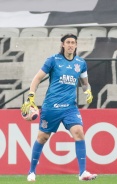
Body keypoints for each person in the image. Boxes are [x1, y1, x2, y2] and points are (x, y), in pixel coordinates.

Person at [21, 33, 97, 182]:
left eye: (73, 42)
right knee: (42, 137)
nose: (70, 45)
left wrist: (88, 91)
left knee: (79, 132)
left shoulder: (80, 63)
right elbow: (37, 78)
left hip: (70, 107)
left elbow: (84, 83)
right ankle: (31, 171)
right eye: (67, 42)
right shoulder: (53, 60)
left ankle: (82, 173)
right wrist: (31, 96)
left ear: (76, 45)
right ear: (63, 45)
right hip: (51, 107)